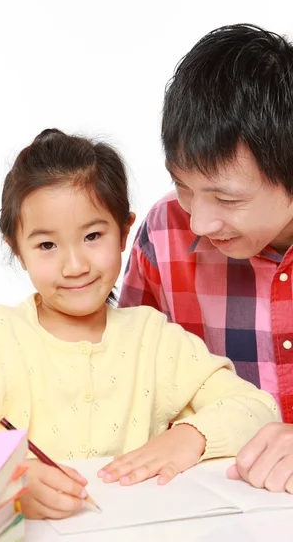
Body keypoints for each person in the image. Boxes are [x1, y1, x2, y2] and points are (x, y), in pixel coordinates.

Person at [0, 128, 279, 519]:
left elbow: (257, 408)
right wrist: (9, 482)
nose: (75, 266)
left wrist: (191, 436)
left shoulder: (155, 339)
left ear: (124, 232)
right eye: (47, 245)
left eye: (93, 236)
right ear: (17, 249)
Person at [119, 24, 293, 493]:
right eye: (184, 185)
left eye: (226, 199)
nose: (198, 223)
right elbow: (131, 383)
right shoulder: (163, 231)